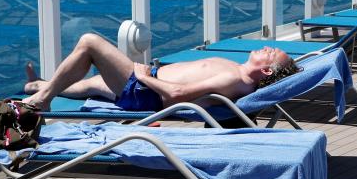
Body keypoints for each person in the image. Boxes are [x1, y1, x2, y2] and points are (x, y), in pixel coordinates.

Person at [22, 33, 299, 112]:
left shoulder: (234, 79)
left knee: (90, 42)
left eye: (271, 52)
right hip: (145, 85)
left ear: (265, 69)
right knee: (92, 84)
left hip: (145, 92)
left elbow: (179, 94)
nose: (266, 46)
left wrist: (145, 77)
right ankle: (41, 87)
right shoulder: (238, 72)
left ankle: (44, 97)